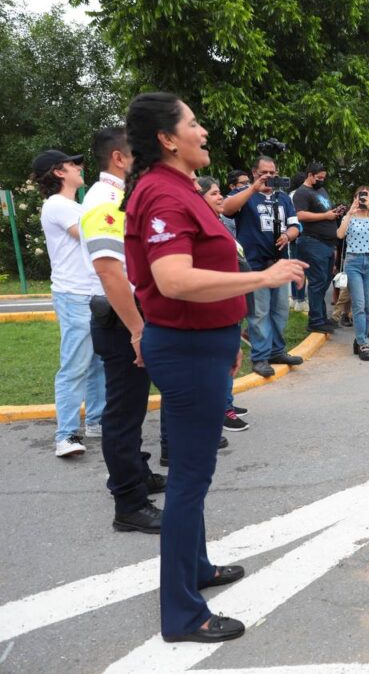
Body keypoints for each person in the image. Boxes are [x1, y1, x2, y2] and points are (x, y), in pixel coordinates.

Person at [121, 91, 306, 642]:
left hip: (200, 344)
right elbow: (173, 280)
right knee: (188, 481)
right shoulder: (162, 193)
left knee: (193, 477)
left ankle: (197, 568)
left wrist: (231, 334)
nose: (203, 132)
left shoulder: (181, 189)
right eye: (194, 123)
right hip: (186, 348)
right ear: (167, 139)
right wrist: (263, 279)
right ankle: (182, 614)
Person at [79, 126, 165, 532]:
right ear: (119, 158)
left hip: (130, 316)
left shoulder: (119, 198)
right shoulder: (104, 200)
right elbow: (110, 271)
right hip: (121, 321)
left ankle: (138, 473)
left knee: (131, 408)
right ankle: (129, 503)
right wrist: (136, 329)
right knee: (122, 413)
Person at [32, 148, 106, 457]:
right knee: (75, 365)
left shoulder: (73, 205)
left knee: (97, 362)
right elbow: (92, 234)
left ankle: (97, 422)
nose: (79, 168)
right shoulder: (57, 205)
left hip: (93, 293)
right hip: (74, 294)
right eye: (72, 164)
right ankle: (66, 435)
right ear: (59, 172)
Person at [222, 156, 304, 378]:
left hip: (280, 262)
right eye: (263, 173)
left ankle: (276, 351)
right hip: (255, 264)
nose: (269, 176)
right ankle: (260, 357)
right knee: (259, 313)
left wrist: (288, 235)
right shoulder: (245, 195)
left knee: (280, 311)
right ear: (253, 173)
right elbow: (226, 209)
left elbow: (296, 226)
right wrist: (252, 189)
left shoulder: (284, 198)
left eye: (273, 173)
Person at [196, 176, 253, 433]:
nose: (221, 197)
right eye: (215, 194)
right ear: (200, 198)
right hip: (217, 305)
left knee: (229, 355)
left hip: (231, 302)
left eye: (220, 193)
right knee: (217, 360)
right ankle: (221, 410)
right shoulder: (201, 227)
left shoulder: (217, 223)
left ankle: (226, 401)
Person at [337, 185, 369, 359]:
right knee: (359, 306)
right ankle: (363, 343)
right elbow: (340, 234)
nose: (364, 199)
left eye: (368, 196)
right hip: (353, 262)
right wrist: (351, 210)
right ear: (355, 197)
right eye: (360, 196)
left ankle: (359, 340)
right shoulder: (350, 216)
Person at [293, 162, 342, 334]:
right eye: (319, 178)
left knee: (325, 281)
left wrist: (334, 213)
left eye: (324, 178)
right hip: (312, 242)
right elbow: (299, 215)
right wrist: (325, 215)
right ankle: (315, 321)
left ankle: (321, 317)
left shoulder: (321, 191)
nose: (322, 180)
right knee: (317, 281)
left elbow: (326, 212)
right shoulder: (301, 193)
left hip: (328, 243)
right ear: (310, 175)